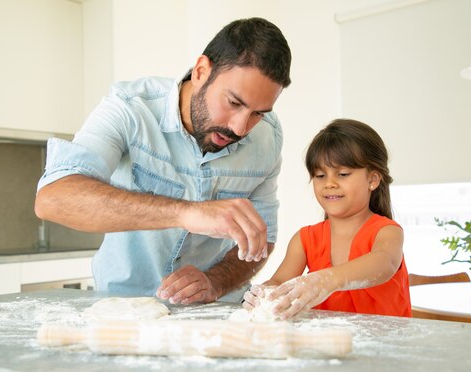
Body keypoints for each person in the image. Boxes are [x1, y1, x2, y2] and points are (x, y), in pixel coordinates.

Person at [34, 18, 292, 305]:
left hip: (215, 316)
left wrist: (215, 282)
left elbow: (262, 240)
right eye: (234, 103)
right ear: (201, 71)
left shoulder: (269, 137)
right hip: (122, 311)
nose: (241, 128)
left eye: (258, 113)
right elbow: (54, 198)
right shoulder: (130, 108)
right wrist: (186, 213)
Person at [242, 118, 412, 320]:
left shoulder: (387, 231)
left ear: (372, 180)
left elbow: (385, 262)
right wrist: (265, 294)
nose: (329, 183)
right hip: (328, 347)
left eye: (342, 174)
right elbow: (279, 281)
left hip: (386, 347)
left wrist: (327, 279)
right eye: (320, 175)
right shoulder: (306, 239)